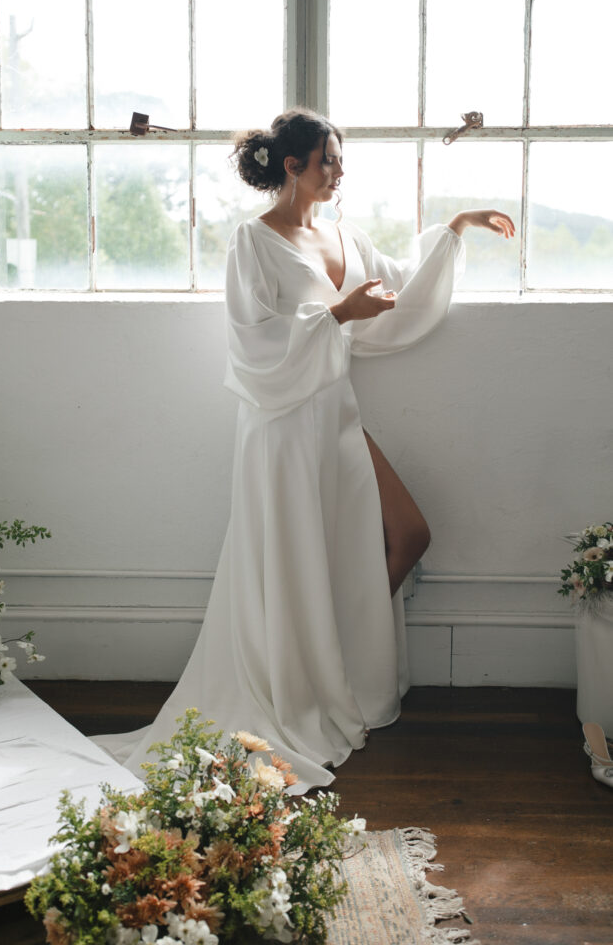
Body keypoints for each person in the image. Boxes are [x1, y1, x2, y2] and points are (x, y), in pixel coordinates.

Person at [94, 108, 515, 793]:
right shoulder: (252, 243)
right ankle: (307, 683)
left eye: (339, 158)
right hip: (282, 426)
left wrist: (454, 228)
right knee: (301, 561)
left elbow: (397, 290)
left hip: (334, 414)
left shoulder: (339, 232)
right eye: (328, 159)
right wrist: (337, 316)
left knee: (406, 535)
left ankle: (339, 662)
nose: (338, 170)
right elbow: (250, 343)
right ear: (291, 166)